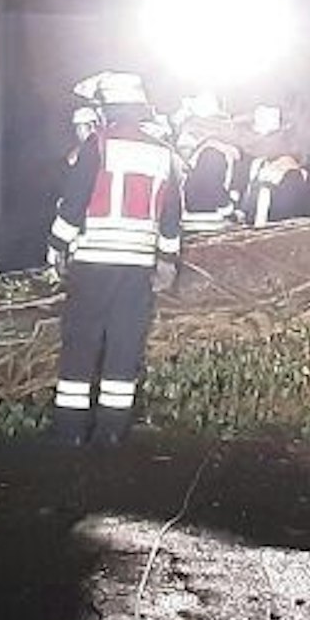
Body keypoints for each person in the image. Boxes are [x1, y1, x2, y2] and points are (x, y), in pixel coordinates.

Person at [47, 70, 182, 447]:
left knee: (81, 341)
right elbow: (171, 214)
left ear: (107, 110)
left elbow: (74, 201)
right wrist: (168, 260)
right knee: (124, 344)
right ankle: (112, 431)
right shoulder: (163, 153)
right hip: (138, 266)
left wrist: (57, 246)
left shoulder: (98, 145)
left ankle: (71, 430)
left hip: (93, 261)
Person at [171, 93, 243, 234]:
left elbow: (211, 185)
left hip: (205, 224)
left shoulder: (211, 152)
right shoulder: (210, 151)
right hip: (204, 223)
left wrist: (228, 211)